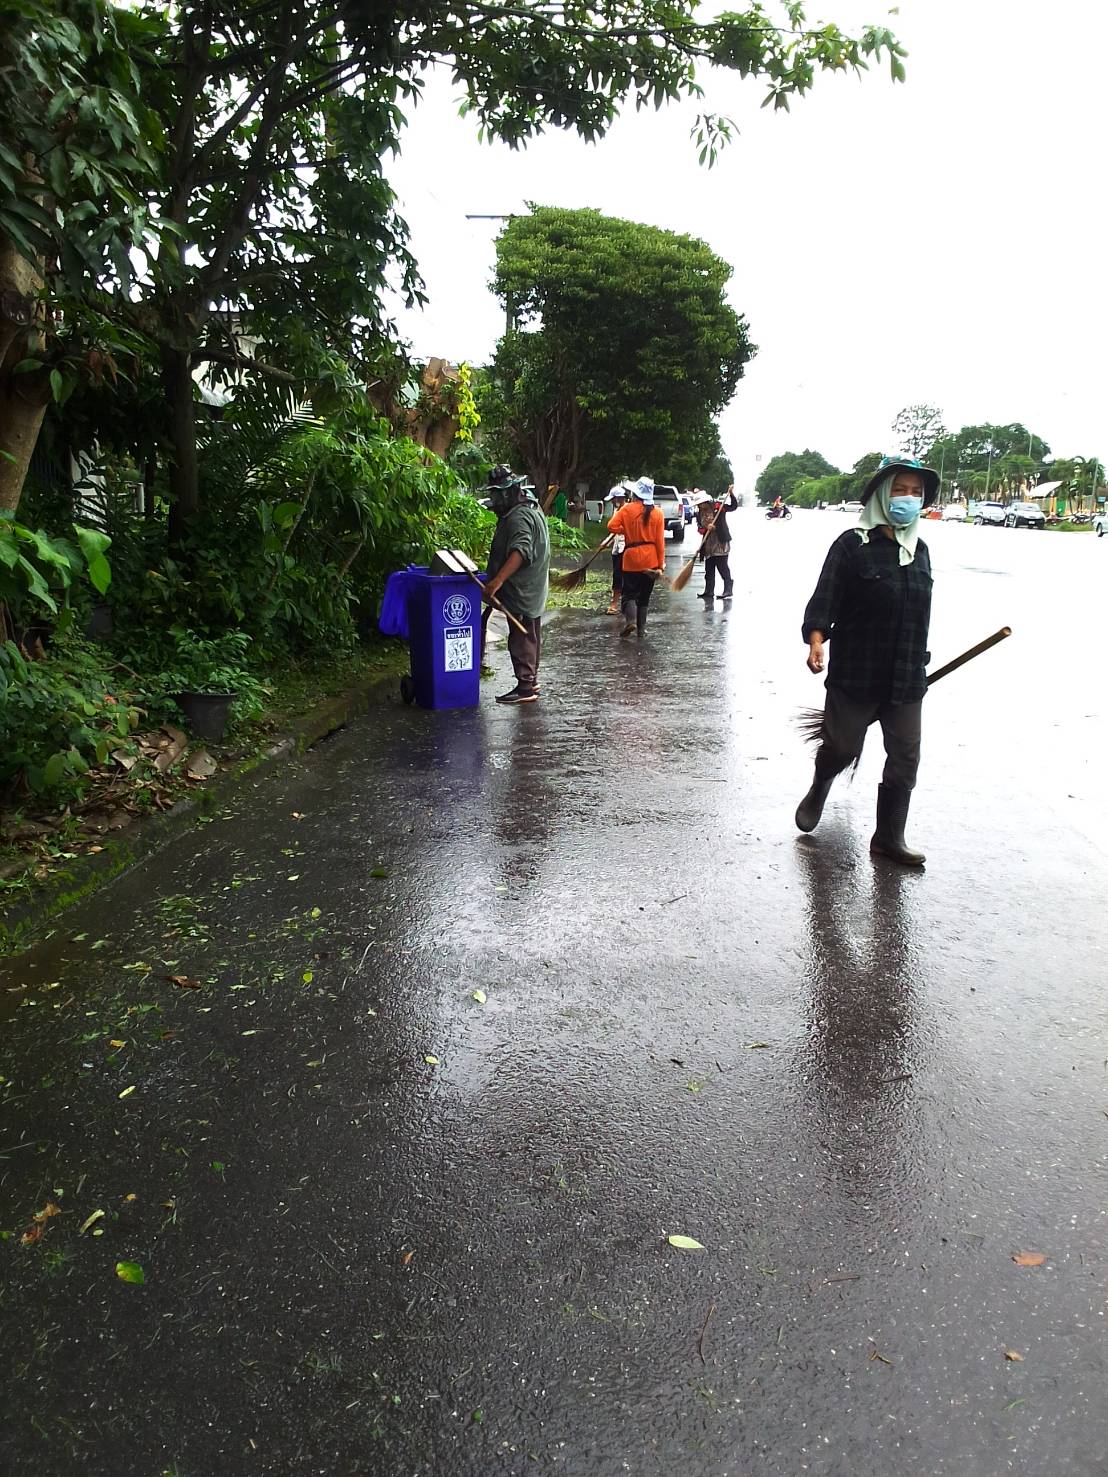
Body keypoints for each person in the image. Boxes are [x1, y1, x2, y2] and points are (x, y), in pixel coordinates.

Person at [795, 455, 939, 865]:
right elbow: (825, 597)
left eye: (916, 493)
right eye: (900, 490)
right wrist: (816, 640)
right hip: (856, 673)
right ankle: (822, 781)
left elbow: (921, 614)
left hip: (907, 676)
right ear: (881, 494)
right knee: (841, 746)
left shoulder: (921, 550)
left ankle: (888, 838)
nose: (909, 499)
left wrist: (919, 663)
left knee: (906, 755)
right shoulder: (850, 545)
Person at [482, 466, 551, 705]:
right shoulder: (530, 508)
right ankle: (531, 681)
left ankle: (525, 687)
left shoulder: (518, 517)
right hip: (533, 587)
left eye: (496, 495)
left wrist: (497, 580)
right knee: (530, 633)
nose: (494, 500)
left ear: (508, 492)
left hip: (522, 589)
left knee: (521, 636)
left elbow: (520, 551)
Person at [607, 476, 665, 638]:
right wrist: (660, 565)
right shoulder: (658, 512)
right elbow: (660, 541)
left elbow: (611, 526)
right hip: (651, 558)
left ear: (635, 493)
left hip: (632, 558)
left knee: (629, 594)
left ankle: (630, 621)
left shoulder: (627, 509)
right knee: (644, 597)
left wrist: (625, 529)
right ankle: (641, 630)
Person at [695, 484, 738, 601]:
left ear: (706, 502)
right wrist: (706, 528)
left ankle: (728, 589)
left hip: (720, 542)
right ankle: (709, 591)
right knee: (709, 569)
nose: (700, 506)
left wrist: (731, 494)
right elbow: (699, 528)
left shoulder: (718, 507)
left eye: (701, 503)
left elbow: (734, 506)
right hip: (708, 544)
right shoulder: (699, 513)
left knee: (722, 567)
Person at [605, 479, 634, 614]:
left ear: (619, 498)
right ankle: (619, 602)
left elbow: (628, 528)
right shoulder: (617, 511)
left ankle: (617, 603)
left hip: (626, 547)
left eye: (613, 499)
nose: (612, 502)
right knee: (617, 575)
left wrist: (621, 531)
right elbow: (614, 528)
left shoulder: (628, 510)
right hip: (617, 547)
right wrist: (607, 541)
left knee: (623, 576)